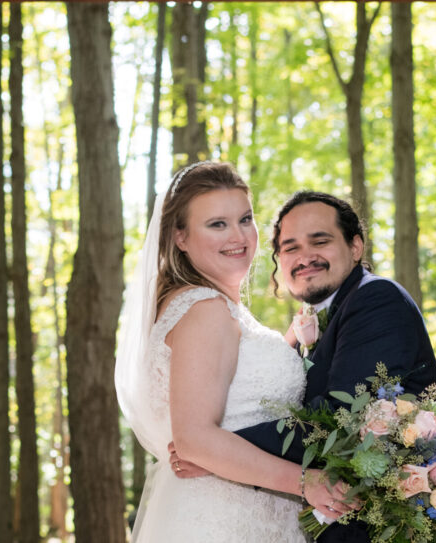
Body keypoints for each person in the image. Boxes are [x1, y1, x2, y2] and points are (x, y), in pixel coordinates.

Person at [172, 191, 436, 542]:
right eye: (291, 247)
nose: (305, 257)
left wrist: (218, 450)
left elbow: (340, 418)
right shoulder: (308, 323)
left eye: (320, 241)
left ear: (356, 246)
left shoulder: (377, 300)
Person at [115, 165, 354, 542]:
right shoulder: (204, 308)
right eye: (217, 224)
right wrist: (307, 482)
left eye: (245, 219)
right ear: (180, 237)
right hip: (224, 520)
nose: (239, 236)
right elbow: (195, 440)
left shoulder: (215, 308)